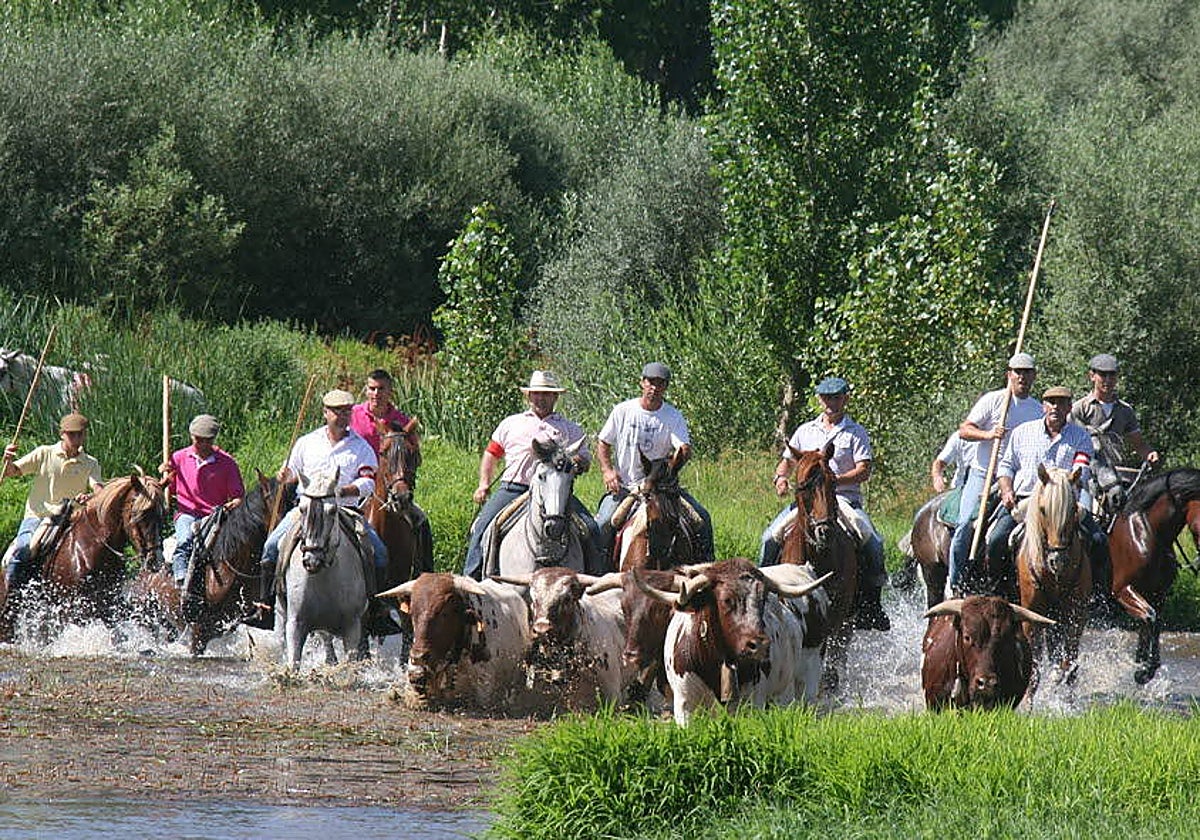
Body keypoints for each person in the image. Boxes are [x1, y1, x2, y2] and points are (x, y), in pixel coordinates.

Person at [244, 389, 386, 629]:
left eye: (346, 412)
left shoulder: (361, 447)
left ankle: (376, 610)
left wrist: (345, 490)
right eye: (336, 412)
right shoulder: (306, 442)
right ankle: (266, 606)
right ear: (325, 413)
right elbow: (291, 473)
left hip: (344, 510)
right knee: (270, 548)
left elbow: (368, 481)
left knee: (379, 553)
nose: (342, 416)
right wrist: (284, 475)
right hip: (305, 510)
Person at [759, 376, 890, 631]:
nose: (832, 403)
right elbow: (787, 461)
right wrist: (781, 478)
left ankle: (872, 606)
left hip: (843, 498)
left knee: (872, 542)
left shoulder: (855, 432)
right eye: (827, 398)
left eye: (837, 397)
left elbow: (864, 470)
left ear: (845, 399)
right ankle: (763, 594)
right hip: (807, 503)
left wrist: (830, 481)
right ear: (820, 400)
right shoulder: (805, 430)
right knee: (769, 538)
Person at [463, 371, 602, 580]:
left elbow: (585, 459)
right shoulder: (511, 423)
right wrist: (483, 484)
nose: (541, 398)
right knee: (483, 526)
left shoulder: (570, 428)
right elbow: (491, 453)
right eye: (536, 394)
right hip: (514, 487)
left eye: (546, 394)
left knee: (591, 528)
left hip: (556, 491)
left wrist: (576, 463)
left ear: (555, 398)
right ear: (529, 396)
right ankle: (471, 581)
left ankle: (595, 582)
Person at [594, 362, 714, 562]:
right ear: (642, 382)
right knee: (603, 523)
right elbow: (603, 442)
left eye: (660, 383)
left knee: (702, 519)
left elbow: (683, 447)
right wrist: (607, 471)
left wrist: (680, 456)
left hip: (662, 488)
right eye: (650, 382)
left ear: (665, 387)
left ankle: (706, 568)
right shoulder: (623, 410)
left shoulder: (672, 416)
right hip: (627, 487)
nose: (654, 387)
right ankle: (599, 571)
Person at [947, 352, 1044, 596]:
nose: (1021, 377)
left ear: (1033, 376)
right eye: (1017, 372)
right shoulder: (993, 401)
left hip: (1017, 479)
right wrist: (990, 435)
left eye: (1026, 372)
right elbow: (964, 430)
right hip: (984, 474)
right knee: (966, 525)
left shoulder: (1037, 410)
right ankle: (956, 582)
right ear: (1009, 374)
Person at [987, 386, 1103, 571]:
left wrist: (1067, 481)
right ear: (1043, 407)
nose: (1056, 407)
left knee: (1098, 541)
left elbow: (1081, 469)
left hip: (1065, 505)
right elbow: (1006, 466)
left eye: (1061, 403)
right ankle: (994, 590)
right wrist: (1006, 490)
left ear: (1069, 408)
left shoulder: (1081, 437)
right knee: (996, 539)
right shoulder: (1022, 433)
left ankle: (1100, 595)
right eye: (1051, 402)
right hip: (1024, 500)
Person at [1, 413, 103, 602]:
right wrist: (7, 458)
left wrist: (89, 496)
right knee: (24, 548)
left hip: (70, 517)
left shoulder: (90, 463)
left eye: (80, 434)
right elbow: (13, 471)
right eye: (71, 434)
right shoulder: (44, 453)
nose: (76, 439)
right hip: (39, 515)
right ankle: (10, 594)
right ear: (62, 434)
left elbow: (99, 490)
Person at [349, 368, 432, 557]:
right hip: (357, 482)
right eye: (372, 388)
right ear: (366, 390)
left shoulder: (401, 421)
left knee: (421, 521)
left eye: (381, 389)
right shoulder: (353, 415)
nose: (376, 394)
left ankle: (424, 569)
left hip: (392, 483)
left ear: (390, 391)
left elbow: (415, 456)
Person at [159, 414, 245, 588]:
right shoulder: (179, 457)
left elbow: (238, 497)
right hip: (187, 513)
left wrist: (230, 506)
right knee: (185, 540)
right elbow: (169, 483)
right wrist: (163, 473)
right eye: (199, 440)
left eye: (207, 441)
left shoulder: (227, 463)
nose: (203, 445)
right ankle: (181, 578)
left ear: (213, 439)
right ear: (192, 438)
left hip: (214, 514)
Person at [1070, 353, 1160, 469]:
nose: (1108, 379)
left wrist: (1149, 454)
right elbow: (1069, 443)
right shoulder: (1080, 408)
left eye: (1112, 375)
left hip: (1117, 474)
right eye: (1103, 374)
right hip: (1088, 473)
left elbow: (1138, 444)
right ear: (1092, 376)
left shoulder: (1125, 410)